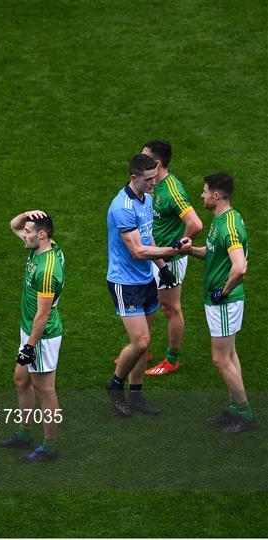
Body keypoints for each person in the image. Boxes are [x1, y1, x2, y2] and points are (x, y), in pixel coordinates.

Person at [106, 154, 191, 417]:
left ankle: (137, 395)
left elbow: (147, 234)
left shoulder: (146, 198)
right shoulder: (122, 208)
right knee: (141, 341)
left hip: (146, 279)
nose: (154, 183)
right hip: (125, 282)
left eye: (156, 178)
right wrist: (173, 250)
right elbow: (137, 251)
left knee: (146, 340)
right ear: (134, 178)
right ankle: (115, 385)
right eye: (149, 180)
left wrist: (163, 267)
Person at [190, 173, 256, 434]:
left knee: (220, 359)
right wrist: (190, 250)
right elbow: (213, 252)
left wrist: (223, 292)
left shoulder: (228, 226)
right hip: (220, 301)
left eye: (205, 191)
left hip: (224, 302)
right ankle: (236, 408)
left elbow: (239, 267)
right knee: (229, 355)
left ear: (216, 196)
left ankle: (246, 413)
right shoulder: (223, 219)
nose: (202, 196)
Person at [0, 211, 65, 461]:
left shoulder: (47, 270)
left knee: (44, 389)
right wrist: (27, 215)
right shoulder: (42, 247)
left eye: (28, 232)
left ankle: (50, 446)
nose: (23, 235)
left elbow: (43, 314)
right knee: (21, 379)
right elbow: (12, 224)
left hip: (41, 336)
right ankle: (25, 433)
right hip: (29, 330)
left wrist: (29, 346)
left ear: (42, 235)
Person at [141, 140, 203, 376]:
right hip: (151, 254)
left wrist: (177, 248)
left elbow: (195, 224)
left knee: (170, 308)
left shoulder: (173, 190)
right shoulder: (149, 182)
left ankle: (171, 359)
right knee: (147, 302)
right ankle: (143, 351)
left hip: (169, 260)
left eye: (145, 158)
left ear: (157, 164)